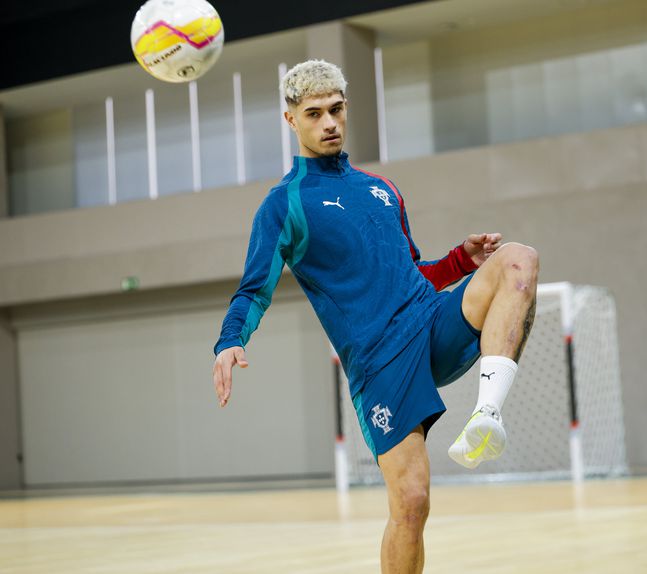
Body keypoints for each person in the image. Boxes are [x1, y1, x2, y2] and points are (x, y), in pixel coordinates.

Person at [212, 59, 539, 573]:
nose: (330, 123)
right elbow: (254, 289)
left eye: (337, 110)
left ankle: (487, 415)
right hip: (380, 362)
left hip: (430, 322)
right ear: (290, 120)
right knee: (411, 503)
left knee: (518, 258)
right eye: (315, 113)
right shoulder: (284, 204)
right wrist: (231, 340)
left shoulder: (382, 189)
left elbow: (410, 273)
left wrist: (460, 260)